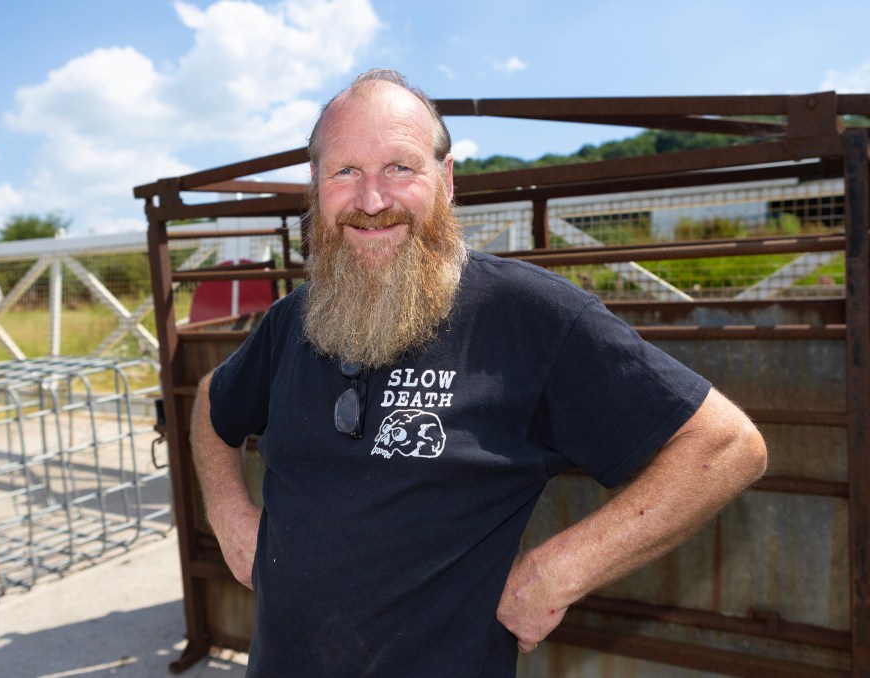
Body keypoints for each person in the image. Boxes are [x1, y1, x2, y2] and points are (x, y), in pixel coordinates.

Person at [190, 69, 767, 677]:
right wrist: (229, 516)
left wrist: (555, 573)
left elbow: (726, 446)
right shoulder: (294, 320)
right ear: (315, 186)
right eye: (345, 171)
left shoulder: (530, 314)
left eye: (399, 168)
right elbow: (211, 400)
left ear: (446, 179)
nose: (371, 200)